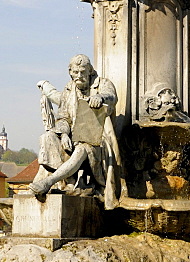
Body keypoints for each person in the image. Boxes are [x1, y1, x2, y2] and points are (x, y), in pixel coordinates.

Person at [29, 55, 122, 209]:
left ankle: (48, 182)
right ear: (70, 72)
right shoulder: (69, 89)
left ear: (90, 72)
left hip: (98, 139)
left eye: (83, 72)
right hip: (73, 135)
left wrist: (100, 97)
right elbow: (63, 118)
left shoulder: (102, 83)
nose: (79, 76)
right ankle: (67, 183)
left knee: (82, 149)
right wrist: (64, 134)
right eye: (76, 72)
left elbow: (112, 97)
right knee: (48, 137)